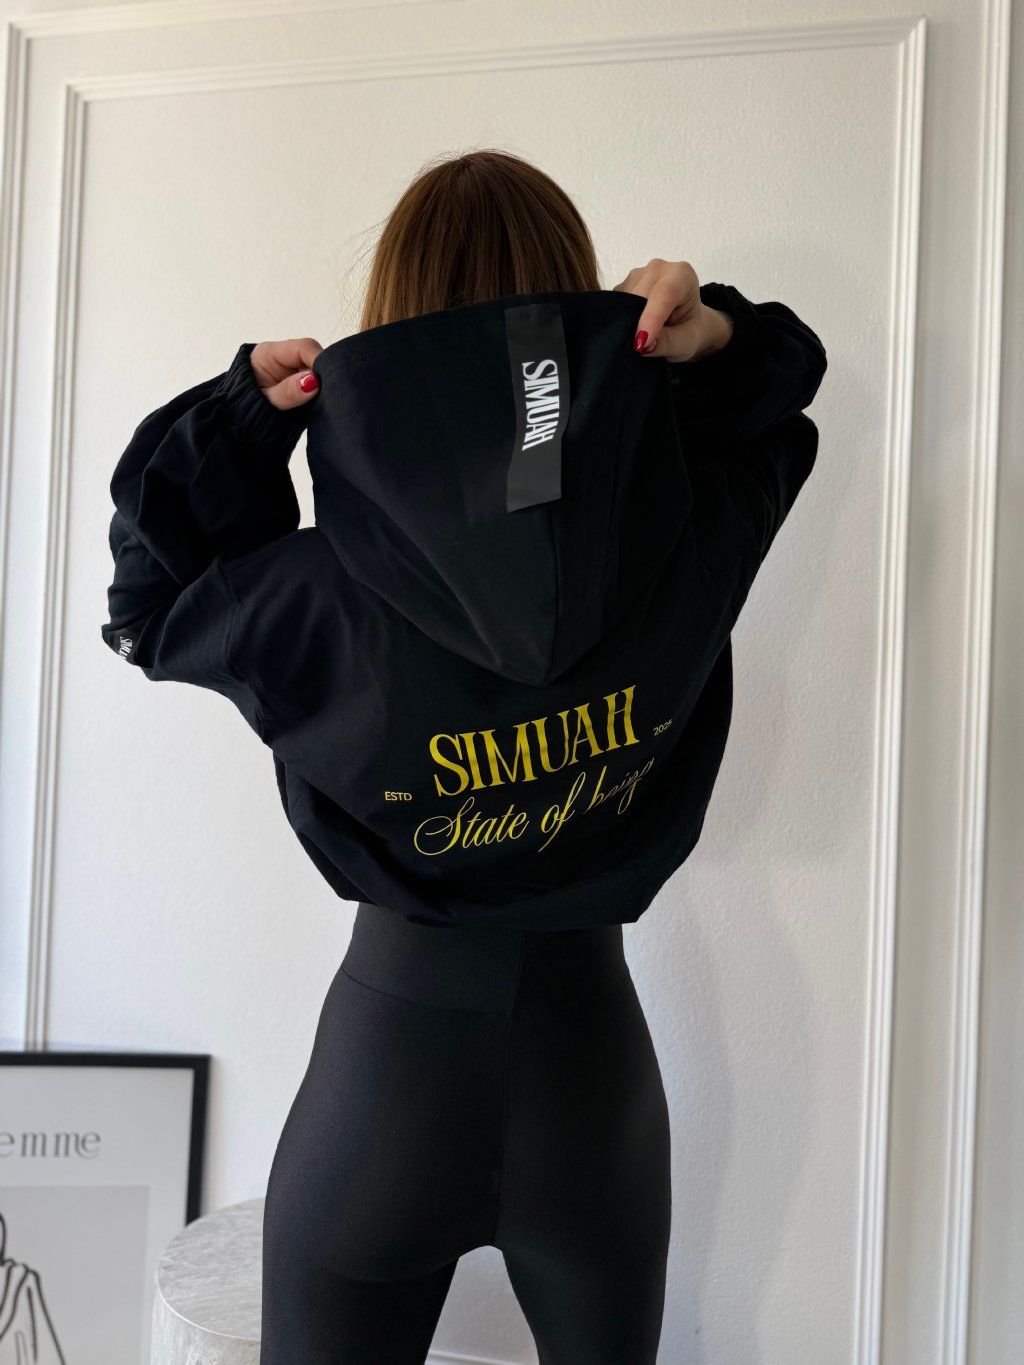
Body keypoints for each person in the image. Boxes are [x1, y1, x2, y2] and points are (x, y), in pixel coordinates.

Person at [100, 149, 826, 1363]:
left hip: (383, 1088)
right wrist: (713, 342)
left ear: (392, 314)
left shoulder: (319, 593)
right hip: (590, 1093)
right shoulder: (689, 533)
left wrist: (239, 418)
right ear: (578, 303)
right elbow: (778, 414)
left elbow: (151, 596)